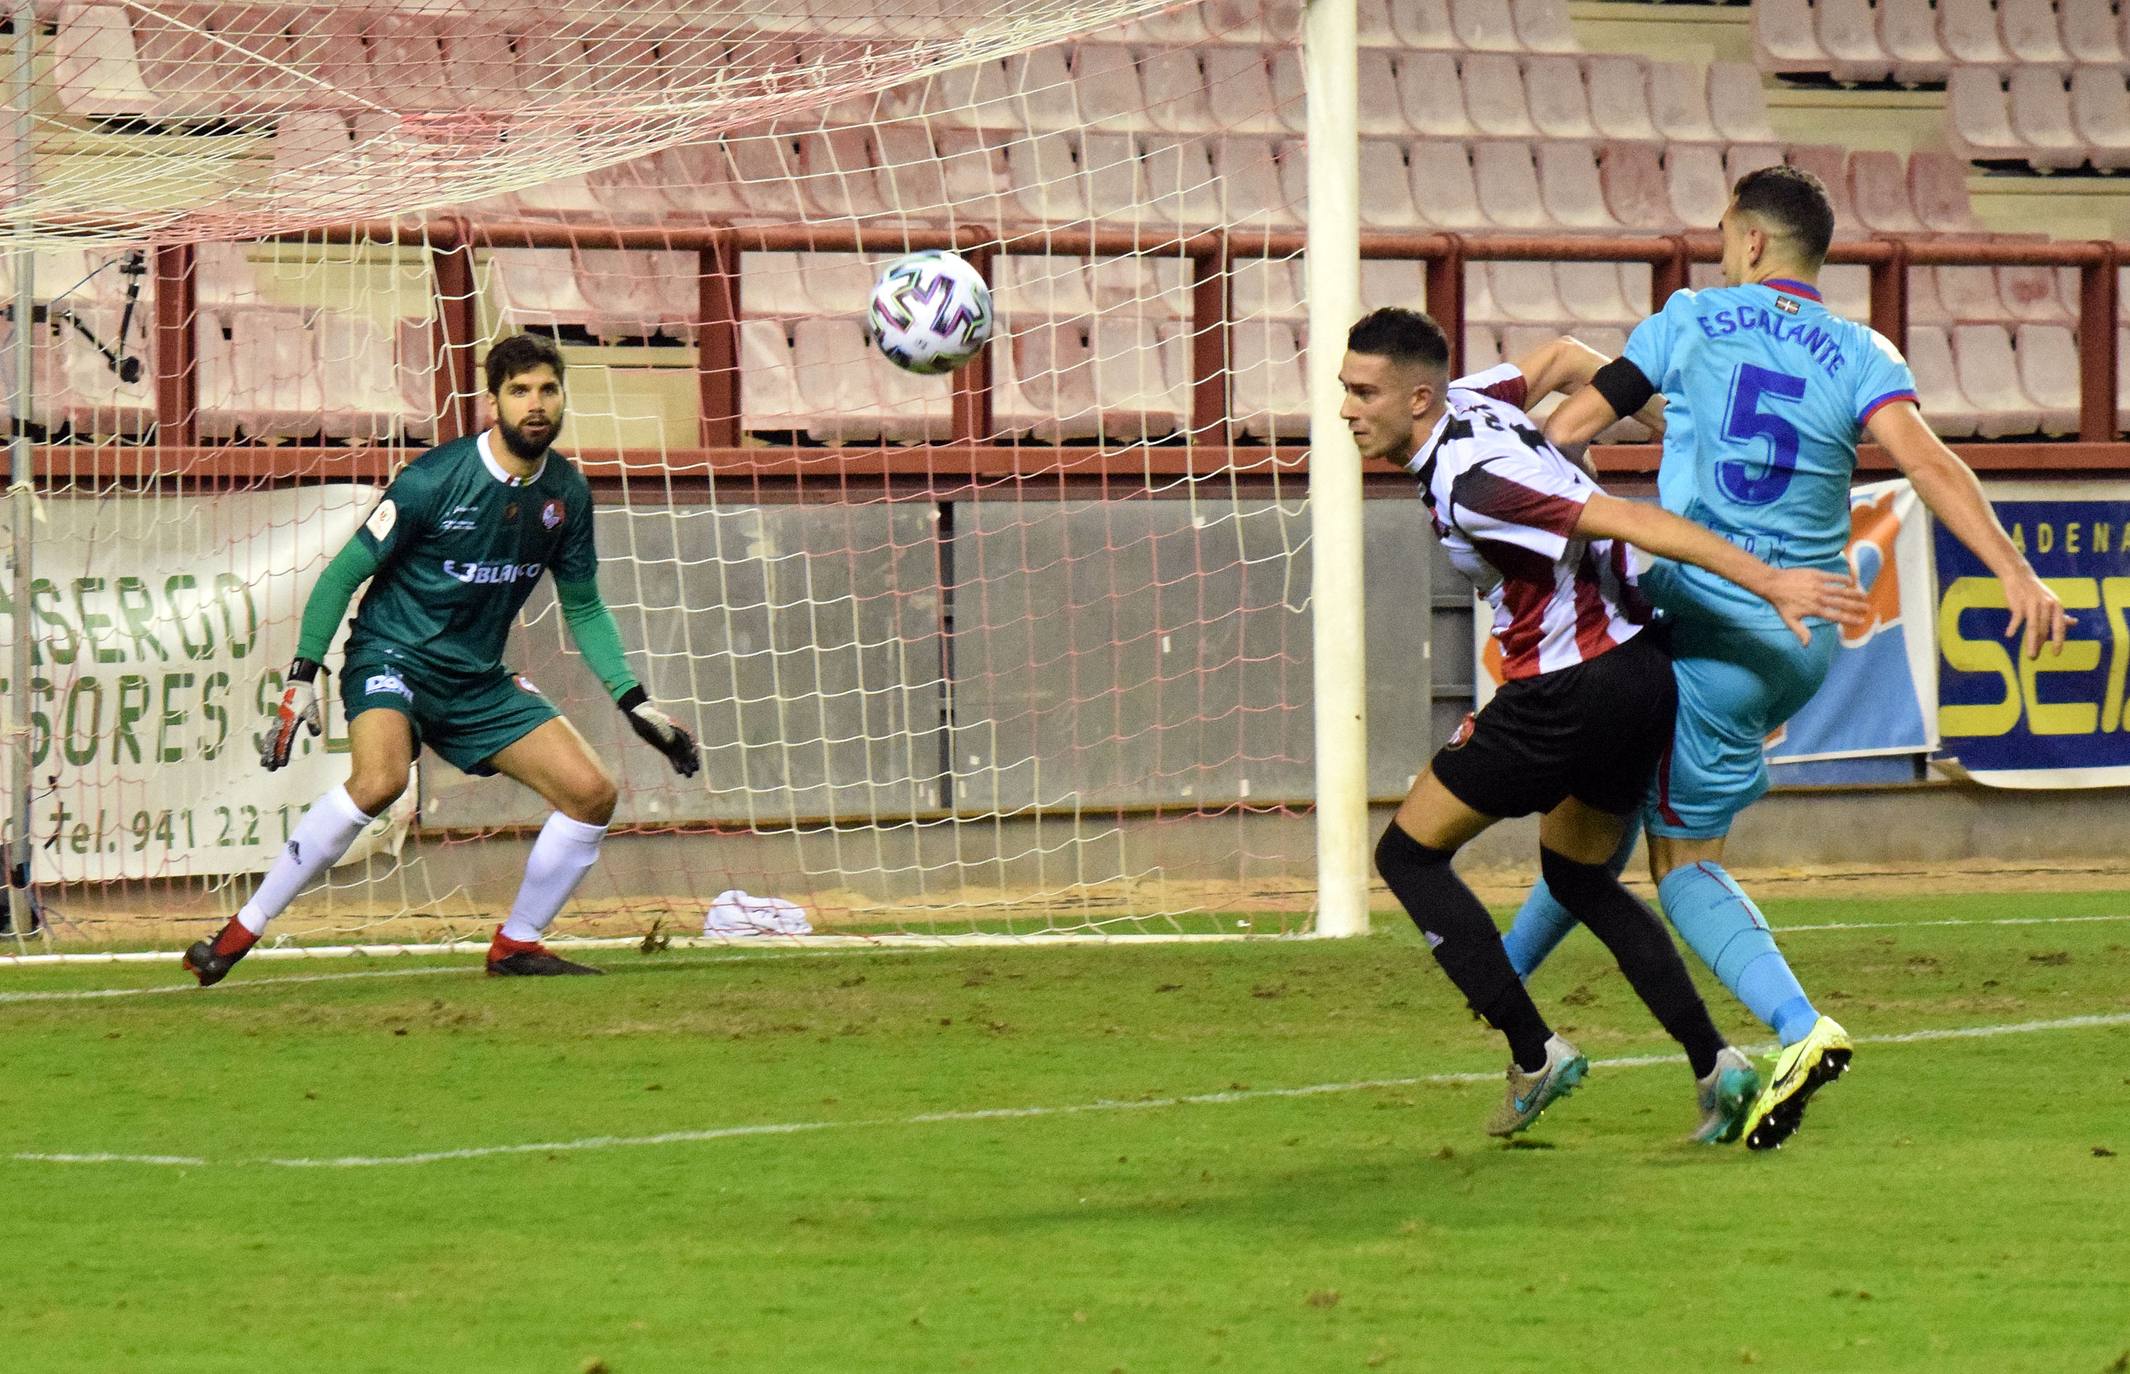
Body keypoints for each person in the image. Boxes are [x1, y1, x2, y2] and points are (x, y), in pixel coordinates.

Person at [1501, 165, 2071, 1148]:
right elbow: (1928, 463)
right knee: (1598, 813)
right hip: (1802, 635)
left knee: (1681, 863)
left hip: (1698, 617)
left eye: (1725, 231)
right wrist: (2017, 572)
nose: (1720, 247)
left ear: (1752, 241)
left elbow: (1573, 428)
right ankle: (1504, 1002)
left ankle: (1800, 1028)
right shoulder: (1862, 350)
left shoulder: (1690, 317)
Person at [1341, 307, 1871, 1141]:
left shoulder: (1477, 485)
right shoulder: (1474, 399)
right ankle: (1716, 1065)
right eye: (1344, 389)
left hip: (1563, 693)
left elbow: (1638, 523)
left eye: (1362, 392)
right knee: (1581, 877)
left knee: (1406, 852)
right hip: (1638, 675)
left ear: (1415, 399)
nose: (1345, 409)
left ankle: (1533, 1052)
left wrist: (1768, 580)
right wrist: (1665, 421)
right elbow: (1557, 356)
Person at [183, 334, 702, 985]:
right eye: (520, 391)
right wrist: (301, 678)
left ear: (563, 396)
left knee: (592, 793)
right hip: (390, 656)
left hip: (475, 679)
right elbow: (341, 576)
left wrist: (635, 700)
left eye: (547, 389)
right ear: (492, 402)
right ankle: (238, 933)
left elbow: (586, 608)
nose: (535, 404)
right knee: (381, 781)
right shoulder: (434, 479)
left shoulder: (566, 494)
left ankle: (517, 946)